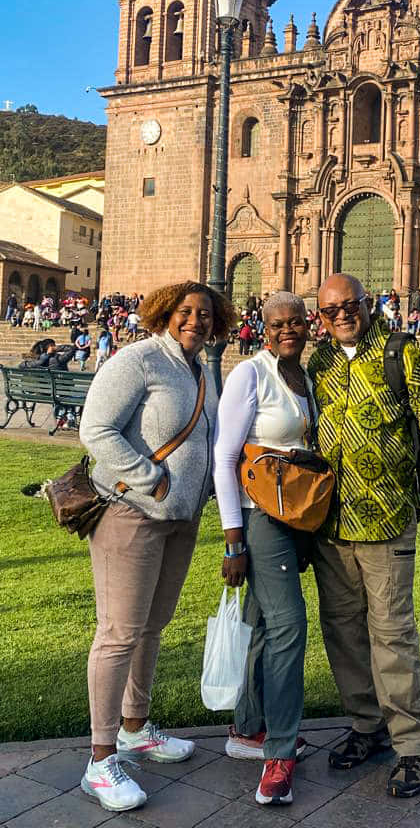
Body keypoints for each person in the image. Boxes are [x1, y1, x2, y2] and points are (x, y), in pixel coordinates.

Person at [78, 281, 234, 814]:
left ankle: (135, 729)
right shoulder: (139, 359)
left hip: (179, 521)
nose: (196, 320)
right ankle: (99, 763)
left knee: (151, 626)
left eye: (206, 313)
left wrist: (202, 493)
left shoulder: (201, 370)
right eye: (186, 311)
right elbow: (95, 429)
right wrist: (152, 479)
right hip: (132, 514)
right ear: (165, 313)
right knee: (119, 633)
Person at [308, 274, 420, 799]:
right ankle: (366, 725)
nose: (342, 315)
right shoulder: (320, 363)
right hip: (331, 525)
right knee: (343, 630)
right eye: (331, 310)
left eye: (350, 305)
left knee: (392, 634)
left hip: (387, 521)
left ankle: (415, 745)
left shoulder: (405, 354)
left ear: (369, 305)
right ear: (321, 317)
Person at [213, 292, 314, 806]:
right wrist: (233, 539)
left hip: (295, 517)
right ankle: (278, 754)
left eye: (295, 322)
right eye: (278, 324)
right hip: (259, 519)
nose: (287, 330)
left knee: (263, 624)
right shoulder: (248, 375)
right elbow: (225, 456)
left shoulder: (305, 378)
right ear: (264, 328)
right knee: (290, 627)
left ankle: (248, 729)